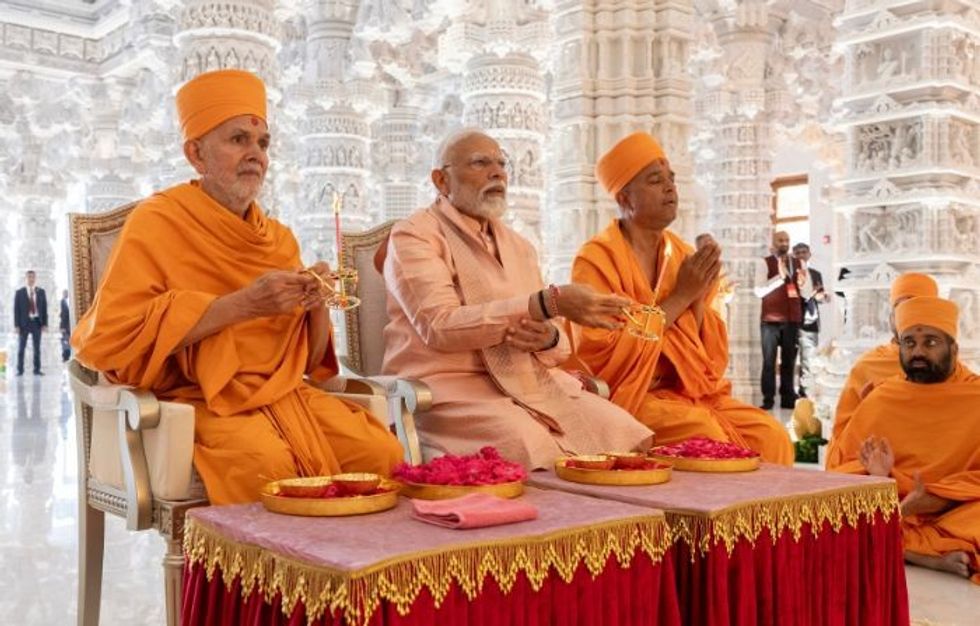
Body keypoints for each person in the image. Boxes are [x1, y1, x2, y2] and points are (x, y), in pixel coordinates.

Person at [72, 69, 402, 504]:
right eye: (238, 139)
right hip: (198, 398)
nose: (255, 155)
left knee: (381, 453)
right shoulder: (157, 222)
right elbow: (113, 337)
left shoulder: (278, 239)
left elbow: (307, 364)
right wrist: (242, 305)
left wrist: (315, 303)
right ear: (196, 154)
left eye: (262, 143)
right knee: (267, 468)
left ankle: (348, 552)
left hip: (286, 394)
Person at [379, 128, 654, 468]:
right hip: (455, 390)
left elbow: (557, 347)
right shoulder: (415, 235)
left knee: (622, 433)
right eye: (480, 163)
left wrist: (548, 337)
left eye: (501, 164)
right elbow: (439, 326)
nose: (497, 173)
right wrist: (545, 303)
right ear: (441, 180)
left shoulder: (520, 246)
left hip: (531, 383)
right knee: (528, 445)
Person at [570, 132, 793, 464]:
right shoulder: (597, 260)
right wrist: (682, 295)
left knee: (772, 435)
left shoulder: (681, 254)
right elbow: (601, 351)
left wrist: (699, 298)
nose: (670, 188)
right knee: (708, 436)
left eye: (671, 179)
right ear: (625, 198)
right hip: (631, 395)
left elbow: (705, 357)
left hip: (686, 391)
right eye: (655, 180)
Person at [828, 296, 979, 583]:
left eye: (930, 342)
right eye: (909, 343)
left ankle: (902, 547)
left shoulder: (975, 397)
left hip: (954, 511)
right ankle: (921, 554)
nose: (918, 352)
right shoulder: (882, 399)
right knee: (833, 518)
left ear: (954, 349)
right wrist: (880, 479)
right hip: (891, 507)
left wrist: (939, 498)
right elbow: (840, 470)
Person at [824, 272, 969, 467]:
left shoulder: (962, 381)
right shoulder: (869, 367)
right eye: (900, 306)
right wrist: (869, 414)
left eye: (916, 304)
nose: (909, 312)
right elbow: (845, 446)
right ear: (891, 315)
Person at [754, 231, 809, 410]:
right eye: (780, 240)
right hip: (770, 320)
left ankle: (788, 398)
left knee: (789, 361)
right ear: (773, 242)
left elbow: (807, 293)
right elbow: (759, 291)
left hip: (793, 319)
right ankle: (768, 399)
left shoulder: (799, 263)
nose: (784, 243)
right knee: (769, 362)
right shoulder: (764, 262)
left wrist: (803, 285)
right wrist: (780, 278)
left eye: (786, 240)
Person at [792, 243, 827, 398]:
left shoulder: (816, 274)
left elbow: (820, 296)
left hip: (811, 321)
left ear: (809, 254)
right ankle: (788, 393)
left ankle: (805, 391)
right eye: (798, 252)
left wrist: (821, 297)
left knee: (809, 359)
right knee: (790, 358)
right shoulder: (790, 273)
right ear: (793, 255)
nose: (801, 255)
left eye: (804, 252)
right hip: (793, 320)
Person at [14, 270, 48, 376]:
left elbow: (44, 309)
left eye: (33, 277)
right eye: (29, 277)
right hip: (24, 324)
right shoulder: (19, 292)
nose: (31, 279)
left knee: (37, 348)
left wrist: (45, 324)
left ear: (35, 278)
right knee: (21, 348)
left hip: (37, 323)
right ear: (26, 278)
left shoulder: (41, 292)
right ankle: (20, 370)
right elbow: (16, 310)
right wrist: (16, 325)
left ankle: (37, 370)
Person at [59, 289, 71, 362]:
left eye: (66, 293)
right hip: (65, 326)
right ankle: (65, 356)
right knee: (65, 341)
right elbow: (63, 315)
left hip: (67, 325)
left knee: (67, 340)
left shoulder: (67, 302)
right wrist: (62, 327)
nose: (66, 294)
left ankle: (67, 356)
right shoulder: (62, 302)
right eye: (64, 293)